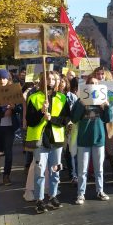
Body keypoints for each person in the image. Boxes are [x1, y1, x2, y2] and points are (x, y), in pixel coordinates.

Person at [25, 71, 71, 214]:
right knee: (39, 171)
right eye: (47, 79)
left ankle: (53, 196)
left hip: (56, 140)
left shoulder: (62, 98)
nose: (50, 81)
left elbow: (66, 119)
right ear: (42, 81)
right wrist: (40, 112)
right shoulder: (33, 97)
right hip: (40, 140)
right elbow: (30, 120)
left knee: (55, 170)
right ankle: (39, 200)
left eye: (53, 79)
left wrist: (52, 119)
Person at [71, 74, 112, 204]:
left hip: (98, 138)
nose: (93, 85)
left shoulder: (102, 100)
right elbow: (74, 118)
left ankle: (100, 191)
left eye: (96, 83)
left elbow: (108, 119)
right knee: (82, 170)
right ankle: (81, 194)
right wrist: (81, 105)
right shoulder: (80, 100)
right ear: (87, 86)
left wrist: (107, 107)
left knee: (99, 169)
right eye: (91, 83)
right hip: (84, 139)